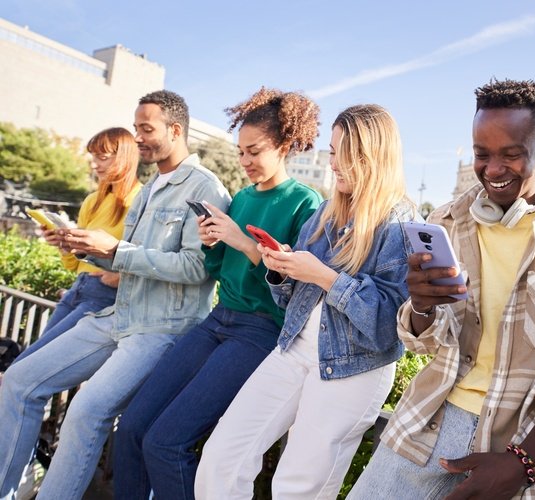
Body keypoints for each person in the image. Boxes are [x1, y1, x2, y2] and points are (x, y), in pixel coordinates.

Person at [348, 79, 535, 500]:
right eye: (481, 155)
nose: (493, 170)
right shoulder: (446, 223)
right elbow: (421, 346)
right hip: (430, 421)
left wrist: (523, 460)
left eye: (512, 155)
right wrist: (420, 308)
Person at [0, 90, 230, 500]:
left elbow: (197, 269)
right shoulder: (149, 189)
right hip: (118, 318)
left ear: (175, 130)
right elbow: (127, 261)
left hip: (161, 329)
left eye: (147, 128)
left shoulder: (206, 189)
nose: (138, 136)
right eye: (137, 126)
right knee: (19, 380)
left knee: (86, 413)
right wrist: (83, 247)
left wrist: (115, 249)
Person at [112, 87, 323, 500]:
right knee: (132, 428)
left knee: (165, 443)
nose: (244, 162)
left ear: (284, 146)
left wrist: (242, 241)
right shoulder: (241, 197)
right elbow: (218, 270)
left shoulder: (305, 202)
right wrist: (212, 243)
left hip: (260, 330)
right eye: (240, 152)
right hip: (218, 319)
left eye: (254, 151)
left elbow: (299, 286)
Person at [194, 104, 414, 499]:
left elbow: (388, 327)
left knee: (298, 487)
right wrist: (281, 269)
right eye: (332, 152)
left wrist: (326, 277)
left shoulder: (400, 224)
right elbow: (290, 299)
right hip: (293, 350)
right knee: (221, 458)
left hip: (353, 367)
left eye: (345, 155)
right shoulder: (326, 215)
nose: (334, 164)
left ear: (373, 158)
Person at [15, 128, 142, 363]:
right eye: (93, 157)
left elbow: (145, 257)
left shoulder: (141, 200)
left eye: (102, 157)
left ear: (124, 157)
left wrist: (116, 277)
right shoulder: (92, 201)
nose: (94, 165)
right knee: (29, 363)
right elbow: (74, 264)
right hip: (78, 288)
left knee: (32, 363)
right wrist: (63, 244)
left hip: (105, 296)